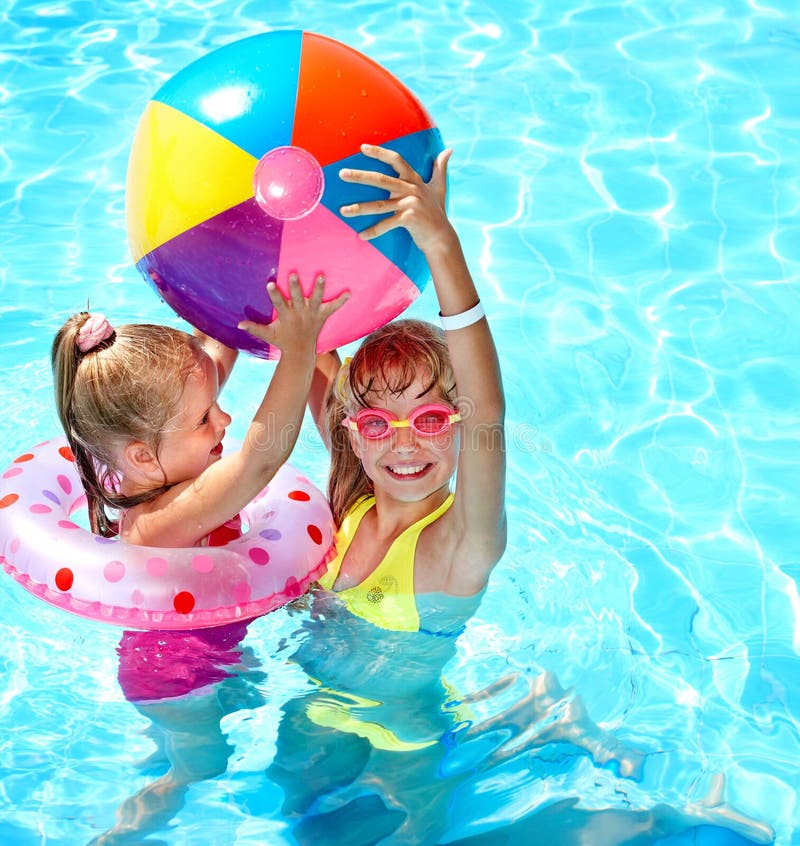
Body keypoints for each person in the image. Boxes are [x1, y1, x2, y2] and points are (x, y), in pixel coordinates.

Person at [51, 273, 348, 547]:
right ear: (142, 456)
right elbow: (258, 463)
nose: (225, 419)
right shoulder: (155, 524)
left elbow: (214, 347)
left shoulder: (159, 448)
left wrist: (233, 281)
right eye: (204, 418)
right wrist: (298, 351)